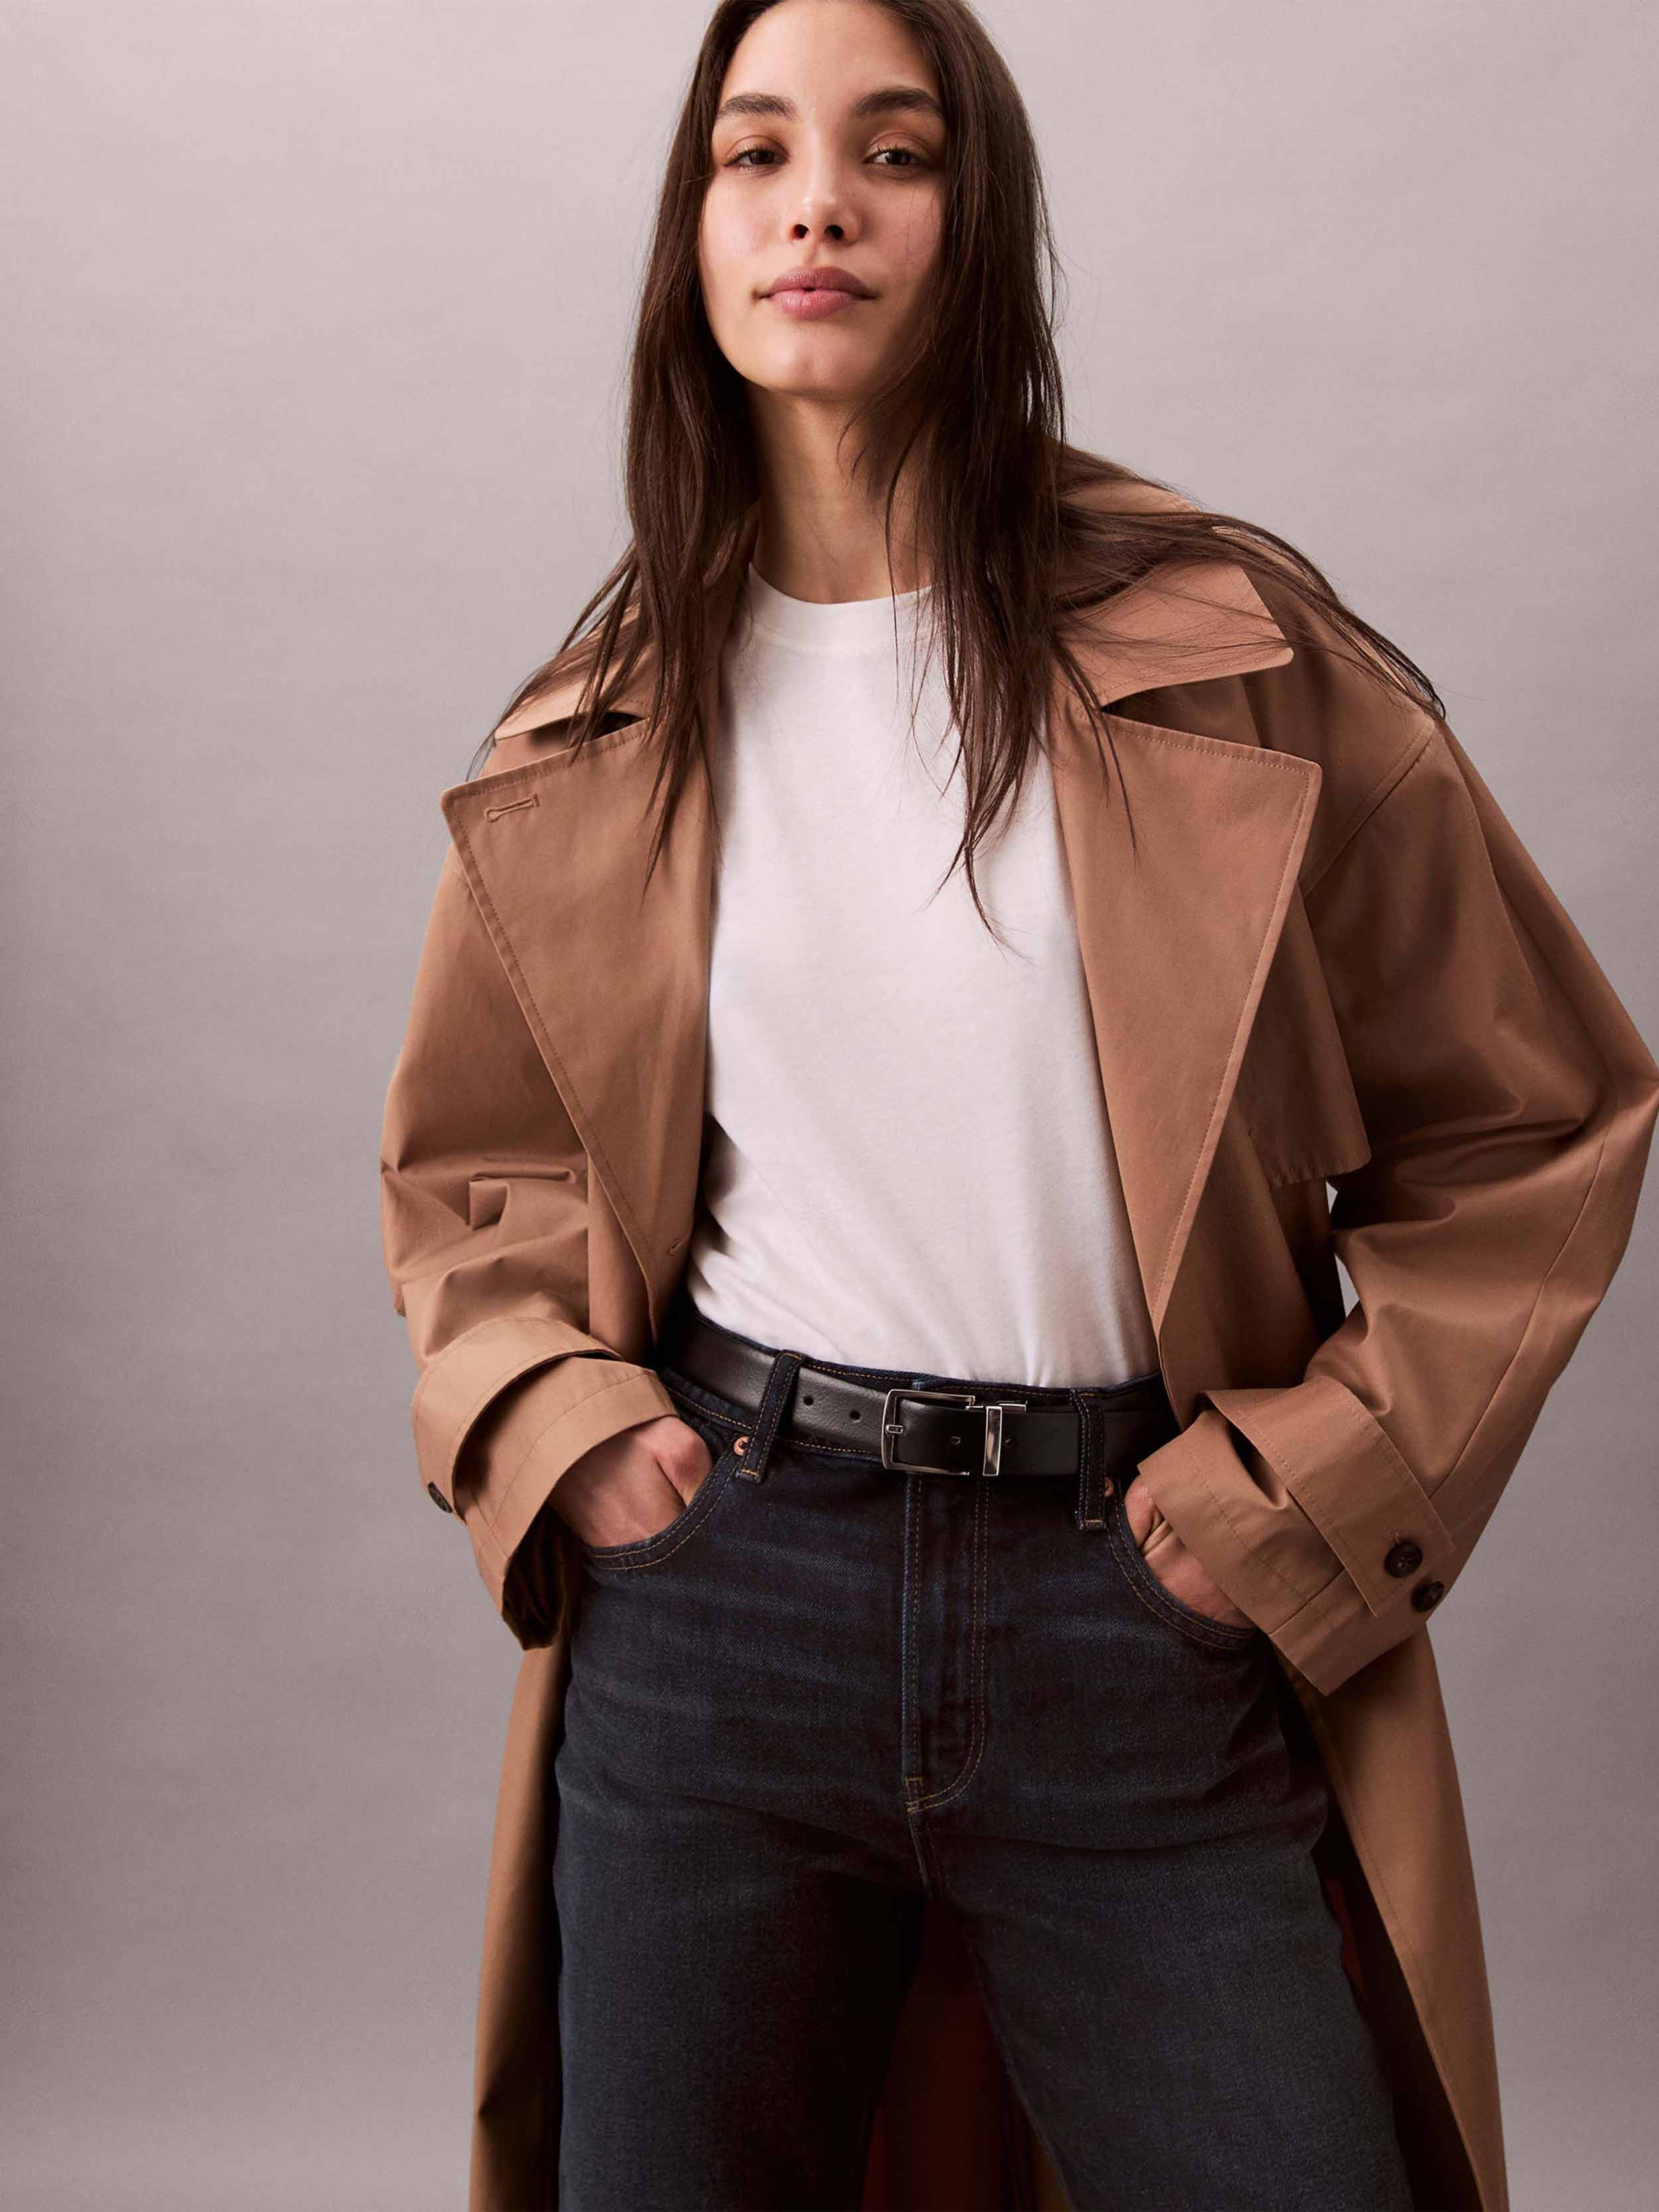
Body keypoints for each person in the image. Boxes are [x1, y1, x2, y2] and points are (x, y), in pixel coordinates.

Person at [378, 3, 1659, 2207]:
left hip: (1136, 1606)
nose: (817, 205)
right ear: (692, 231)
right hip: (719, 1605)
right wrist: (568, 1432)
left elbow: (1533, 1118)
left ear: (982, 225)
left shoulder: (1228, 657)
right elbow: (474, 1171)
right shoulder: (596, 726)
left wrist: (1297, 1493)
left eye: (895, 152)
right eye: (755, 152)